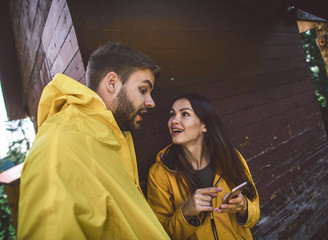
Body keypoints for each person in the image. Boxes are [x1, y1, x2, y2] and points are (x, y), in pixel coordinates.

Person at [17, 42, 170, 239]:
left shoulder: (116, 133)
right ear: (112, 82)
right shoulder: (61, 142)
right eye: (143, 90)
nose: (151, 102)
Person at [147, 93, 260, 239]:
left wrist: (244, 207)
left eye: (185, 114)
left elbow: (255, 214)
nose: (174, 120)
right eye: (172, 114)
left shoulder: (231, 158)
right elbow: (160, 234)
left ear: (205, 125)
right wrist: (185, 213)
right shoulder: (160, 174)